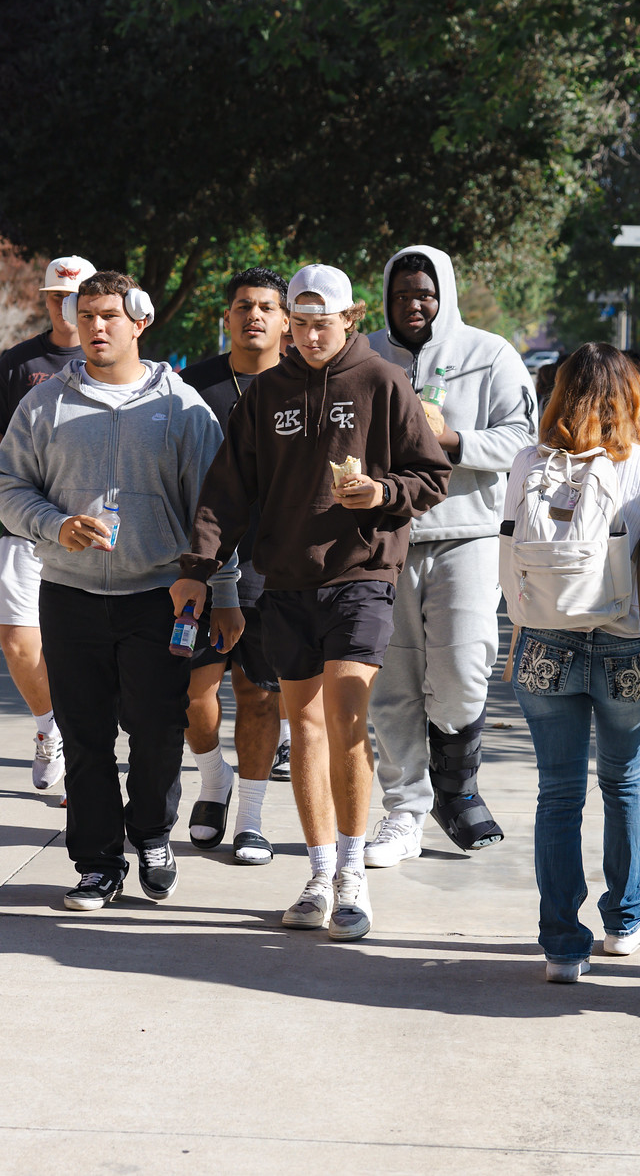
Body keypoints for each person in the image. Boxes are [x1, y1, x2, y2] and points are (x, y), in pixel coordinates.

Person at [179, 264, 452, 942]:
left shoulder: (384, 382)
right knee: (304, 727)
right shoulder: (268, 392)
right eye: (297, 323)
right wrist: (199, 566)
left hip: (362, 574)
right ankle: (318, 871)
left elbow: (431, 473)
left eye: (320, 322)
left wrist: (382, 494)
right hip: (288, 581)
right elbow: (227, 490)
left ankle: (353, 874)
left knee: (347, 717)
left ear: (350, 318)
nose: (306, 335)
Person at [0, 270, 233, 911]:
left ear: (139, 323)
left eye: (108, 316)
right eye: (86, 314)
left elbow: (214, 508)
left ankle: (151, 833)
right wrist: (54, 525)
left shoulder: (180, 406)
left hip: (161, 596)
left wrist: (222, 588)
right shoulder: (44, 405)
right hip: (69, 596)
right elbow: (8, 488)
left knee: (158, 731)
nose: (95, 326)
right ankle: (96, 863)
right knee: (85, 734)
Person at [502, 343, 640, 983]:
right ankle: (624, 920)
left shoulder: (527, 461)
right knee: (623, 781)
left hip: (543, 641)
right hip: (624, 642)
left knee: (557, 792)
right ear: (631, 396)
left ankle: (561, 945)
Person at [363, 246, 536, 864]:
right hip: (386, 538)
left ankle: (455, 785)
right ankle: (404, 811)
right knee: (393, 685)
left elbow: (522, 437)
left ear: (446, 296)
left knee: (463, 672)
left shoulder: (489, 355)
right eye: (403, 292)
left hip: (467, 534)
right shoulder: (368, 356)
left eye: (426, 293)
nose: (414, 304)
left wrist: (452, 440)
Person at [176, 267, 294, 864]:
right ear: (227, 316)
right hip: (202, 563)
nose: (255, 315)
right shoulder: (187, 387)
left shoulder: (305, 386)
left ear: (286, 320)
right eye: (244, 305)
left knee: (260, 693)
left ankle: (249, 817)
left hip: (275, 574)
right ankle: (210, 779)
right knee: (193, 694)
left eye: (268, 307)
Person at [0, 255, 95, 797]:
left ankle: (86, 742)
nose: (63, 303)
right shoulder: (18, 362)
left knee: (85, 648)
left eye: (73, 294)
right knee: (17, 640)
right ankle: (51, 727)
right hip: (27, 526)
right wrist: (27, 469)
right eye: (54, 295)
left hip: (93, 531)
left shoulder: (112, 359)